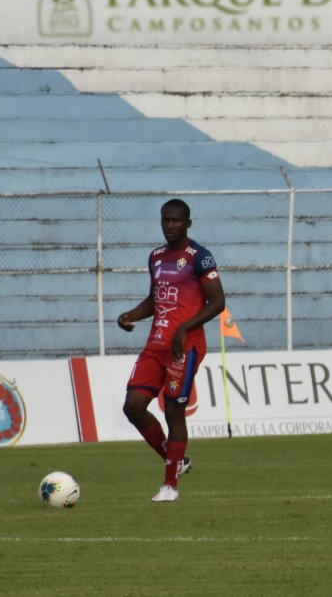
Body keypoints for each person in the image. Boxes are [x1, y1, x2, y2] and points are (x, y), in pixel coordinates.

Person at [117, 199, 225, 503]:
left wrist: (184, 328)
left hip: (185, 347)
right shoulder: (156, 257)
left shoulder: (199, 258)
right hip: (156, 344)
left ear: (188, 223)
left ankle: (170, 486)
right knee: (133, 406)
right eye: (165, 220)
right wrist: (131, 315)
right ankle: (175, 458)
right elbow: (155, 298)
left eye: (176, 221)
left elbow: (218, 302)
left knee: (174, 411)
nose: (170, 226)